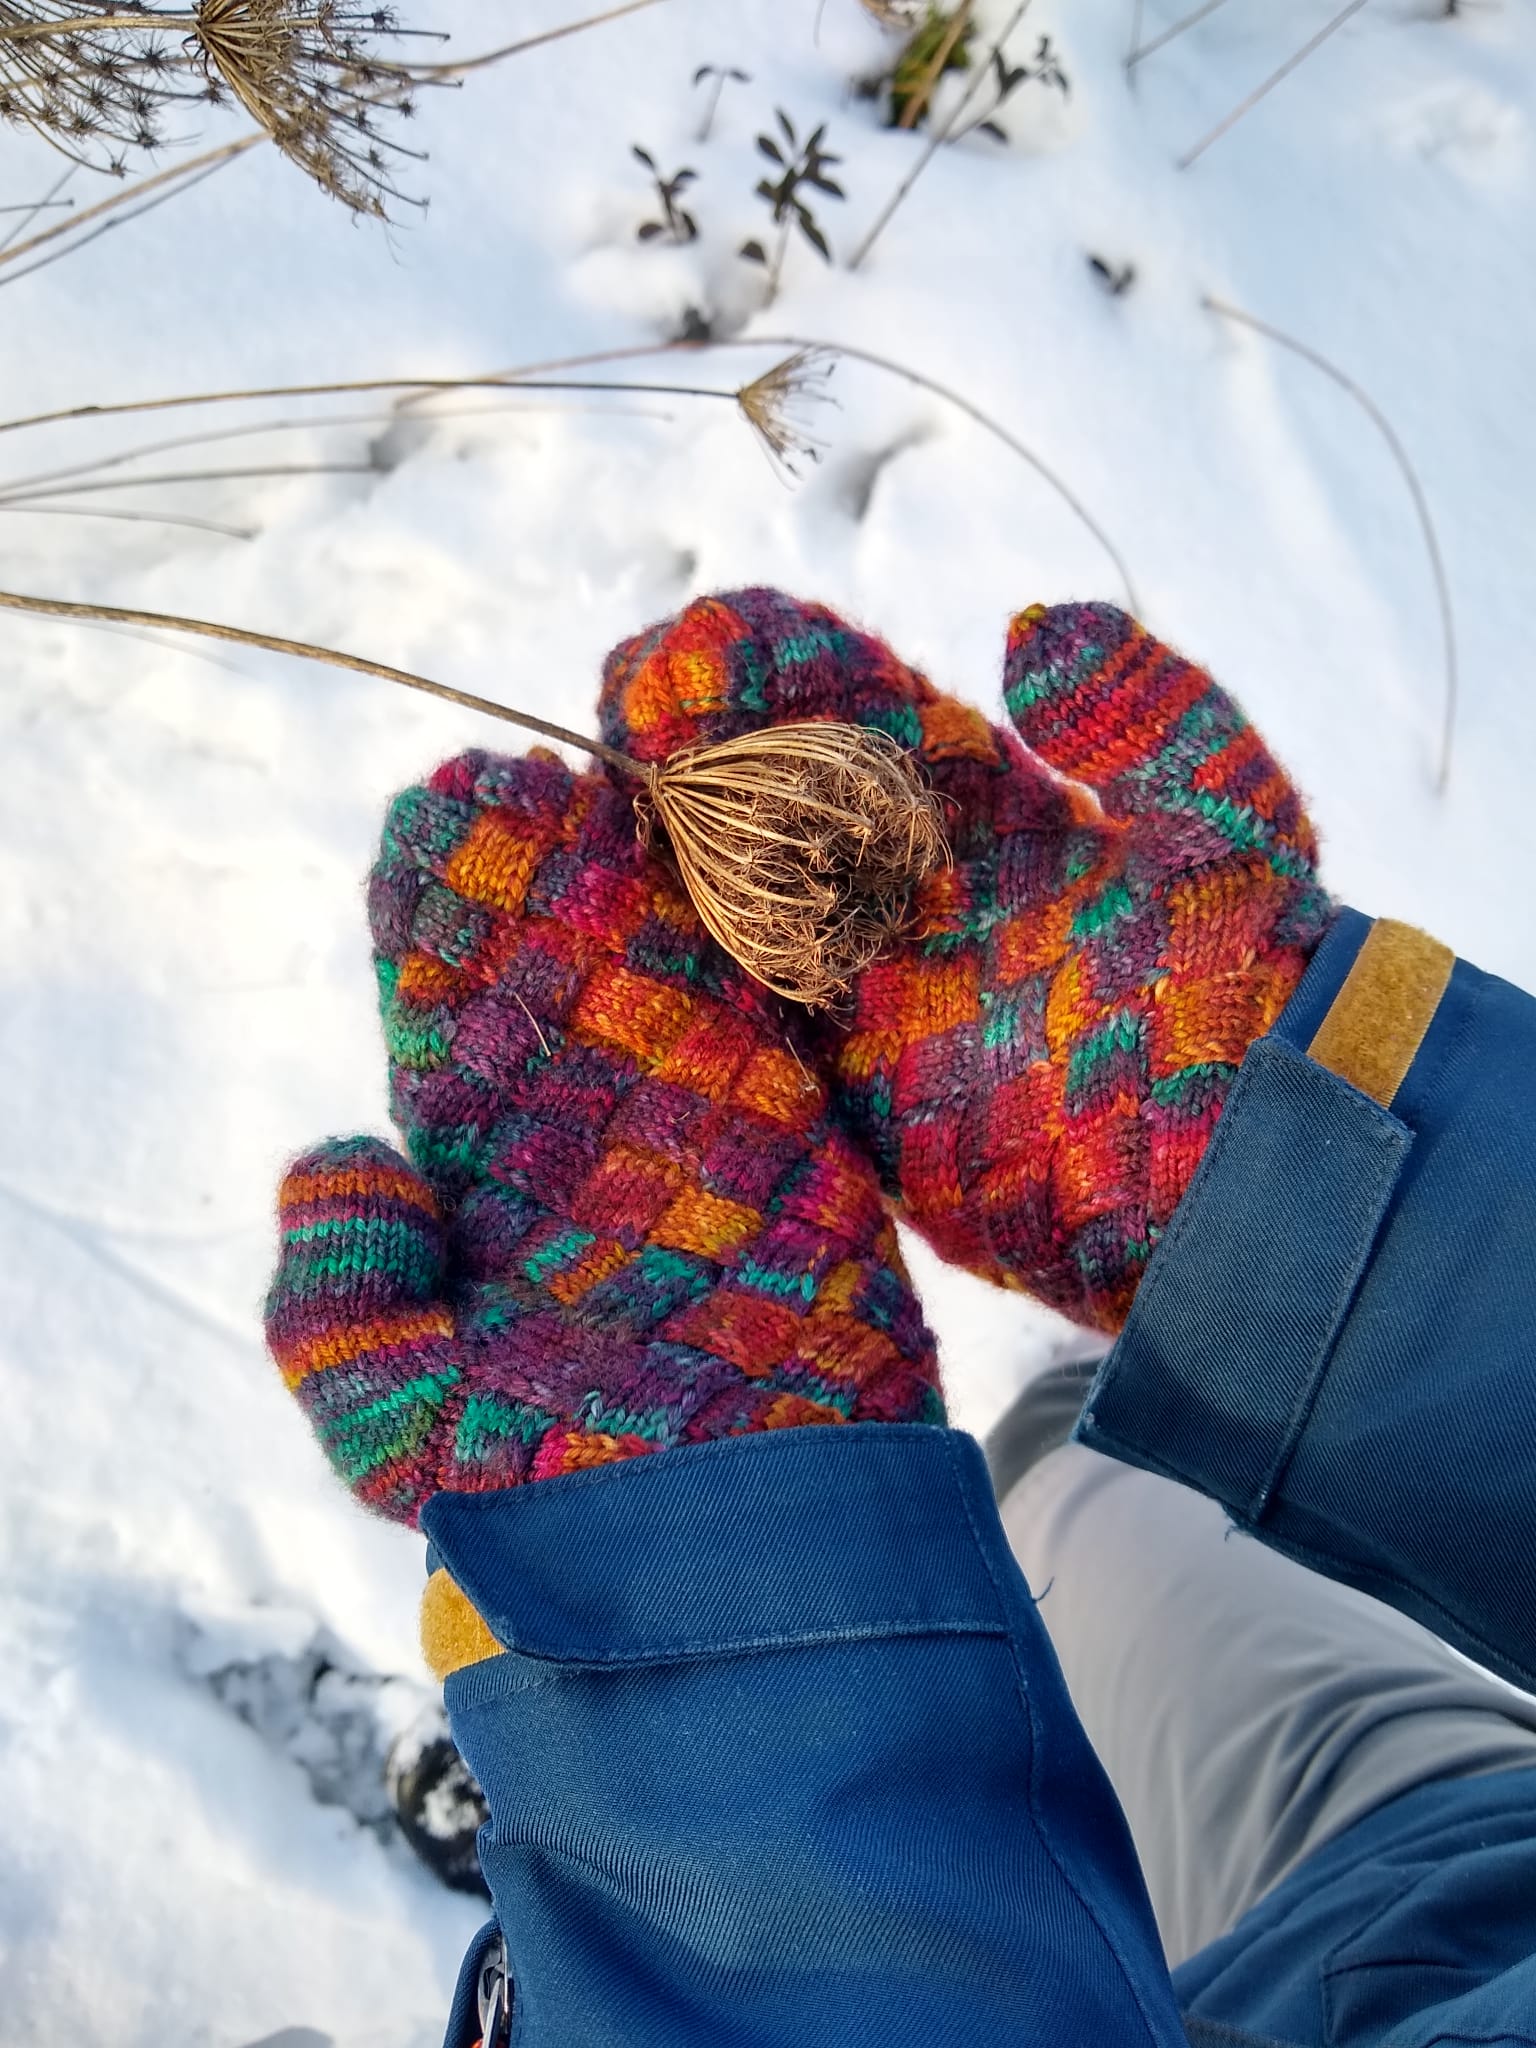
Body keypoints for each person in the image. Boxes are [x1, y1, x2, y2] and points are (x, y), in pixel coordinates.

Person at [265, 592, 1536, 2047]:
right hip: (1462, 1880)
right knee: (1092, 1506)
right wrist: (1316, 1210)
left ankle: (610, 1875)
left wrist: (690, 1609)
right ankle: (648, 1818)